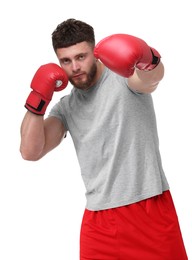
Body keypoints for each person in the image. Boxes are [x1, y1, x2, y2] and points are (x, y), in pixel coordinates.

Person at [20, 18, 188, 259]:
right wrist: (38, 99)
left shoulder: (124, 78)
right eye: (65, 61)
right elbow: (30, 151)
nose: (74, 67)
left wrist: (149, 59)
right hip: (98, 224)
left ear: (95, 51)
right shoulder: (66, 107)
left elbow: (151, 80)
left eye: (81, 56)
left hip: (148, 210)